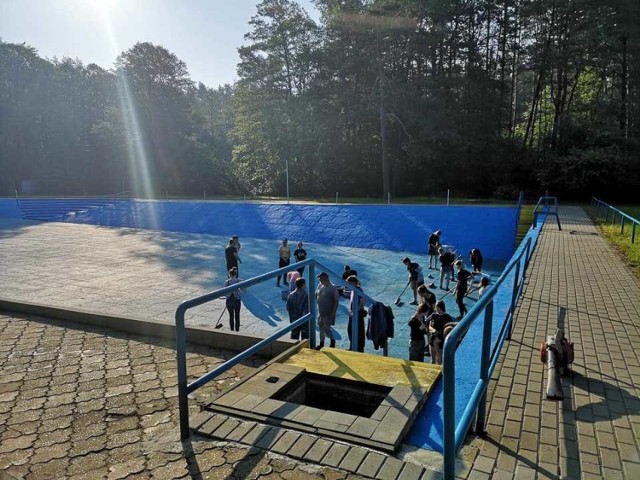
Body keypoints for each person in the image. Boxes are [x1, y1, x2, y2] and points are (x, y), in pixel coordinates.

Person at [315, 272, 339, 349]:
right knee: (320, 327)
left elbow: (336, 301)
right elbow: (316, 294)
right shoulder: (320, 285)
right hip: (320, 311)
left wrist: (333, 312)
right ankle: (321, 343)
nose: (319, 279)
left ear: (325, 278)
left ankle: (332, 340)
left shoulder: (333, 288)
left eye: (320, 278)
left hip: (328, 312)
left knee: (326, 328)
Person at [346, 275, 366, 352]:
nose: (348, 285)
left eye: (349, 283)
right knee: (350, 330)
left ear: (353, 283)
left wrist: (356, 311)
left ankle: (359, 348)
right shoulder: (353, 290)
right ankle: (352, 346)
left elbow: (362, 301)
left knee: (358, 331)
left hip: (357, 314)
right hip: (352, 314)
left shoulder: (358, 290)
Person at [224, 267, 242, 331]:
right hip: (236, 300)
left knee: (231, 316)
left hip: (229, 300)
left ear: (229, 274)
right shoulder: (238, 281)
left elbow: (225, 291)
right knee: (237, 316)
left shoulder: (227, 281)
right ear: (235, 274)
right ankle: (237, 330)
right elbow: (242, 290)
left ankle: (232, 330)